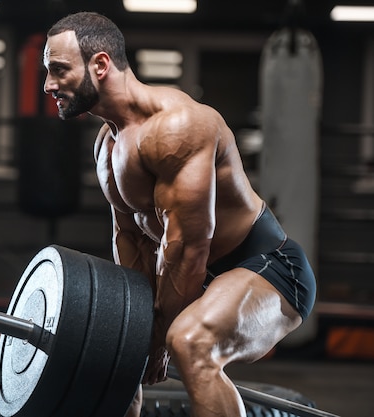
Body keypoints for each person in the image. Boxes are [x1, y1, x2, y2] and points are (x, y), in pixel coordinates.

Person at [43, 12, 316, 417]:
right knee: (119, 351)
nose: (49, 85)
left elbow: (189, 245)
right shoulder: (107, 144)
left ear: (100, 65)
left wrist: (159, 339)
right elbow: (129, 238)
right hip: (194, 274)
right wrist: (134, 329)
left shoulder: (177, 127)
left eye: (58, 70)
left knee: (189, 343)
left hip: (267, 269)